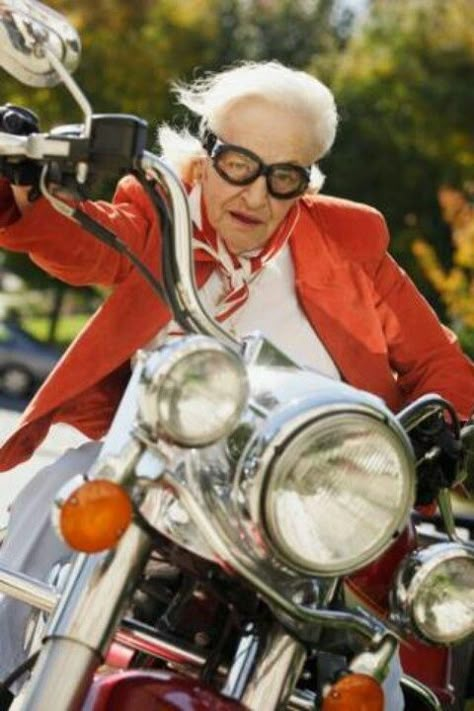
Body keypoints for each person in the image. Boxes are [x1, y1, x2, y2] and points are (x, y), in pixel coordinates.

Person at [0, 61, 473, 706]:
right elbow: (93, 244)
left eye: (283, 178)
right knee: (53, 496)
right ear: (207, 148)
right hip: (157, 469)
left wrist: (450, 421)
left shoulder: (347, 242)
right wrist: (25, 193)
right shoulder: (164, 209)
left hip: (306, 503)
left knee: (376, 668)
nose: (255, 196)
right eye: (238, 165)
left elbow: (436, 361)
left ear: (306, 180)